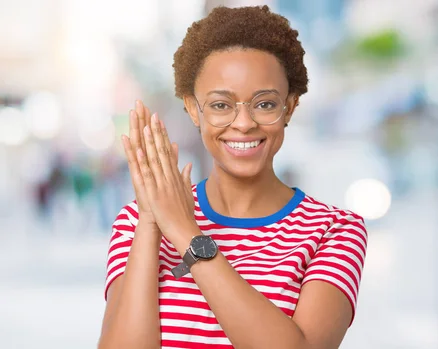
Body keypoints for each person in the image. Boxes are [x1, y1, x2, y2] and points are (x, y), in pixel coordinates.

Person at [98, 5, 368, 349]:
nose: (243, 123)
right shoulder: (137, 221)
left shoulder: (333, 231)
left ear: (290, 106)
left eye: (265, 104)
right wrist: (153, 221)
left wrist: (186, 232)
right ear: (194, 109)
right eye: (221, 105)